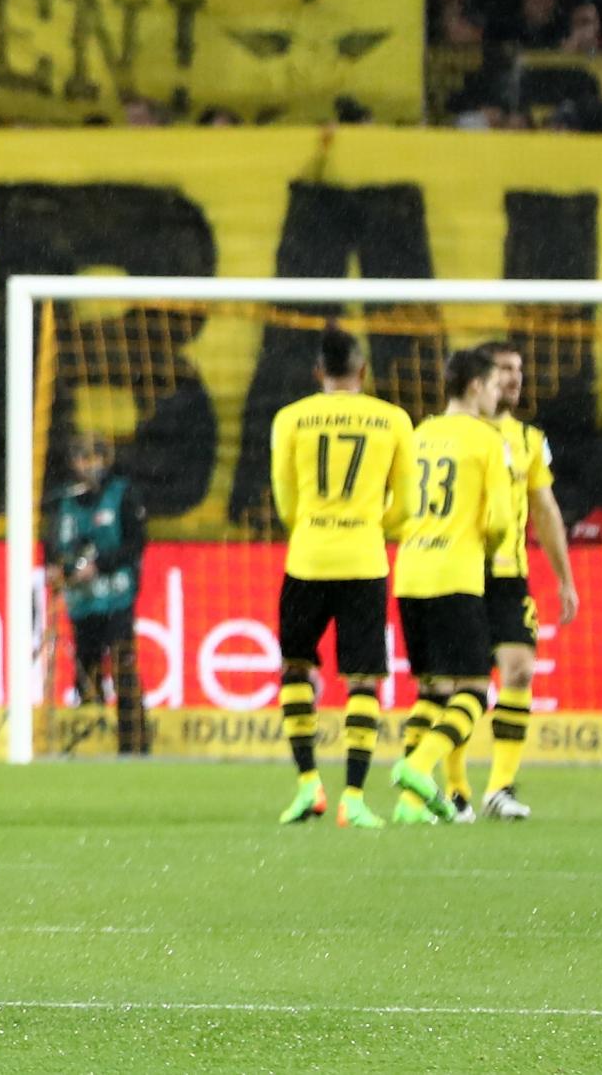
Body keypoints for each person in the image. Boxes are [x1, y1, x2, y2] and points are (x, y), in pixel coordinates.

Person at [267, 326, 416, 829]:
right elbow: (408, 507)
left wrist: (313, 526)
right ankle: (353, 795)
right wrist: (372, 526)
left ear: (318, 373)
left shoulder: (290, 418)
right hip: (364, 562)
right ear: (364, 371)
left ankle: (309, 784)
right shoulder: (393, 420)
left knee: (294, 667)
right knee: (362, 678)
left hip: (306, 559)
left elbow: (285, 502)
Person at [389, 349, 516, 826]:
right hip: (456, 573)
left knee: (432, 690)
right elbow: (502, 520)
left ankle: (410, 804)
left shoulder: (418, 434)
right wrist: (485, 548)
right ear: (475, 387)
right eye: (492, 384)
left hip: (410, 572)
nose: (497, 392)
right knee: (473, 691)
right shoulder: (488, 440)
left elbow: (396, 507)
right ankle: (418, 766)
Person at [474, 340, 582, 821]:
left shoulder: (529, 440)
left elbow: (545, 510)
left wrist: (565, 578)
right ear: (479, 378)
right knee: (459, 685)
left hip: (508, 577)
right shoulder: (446, 433)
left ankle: (499, 787)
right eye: (503, 369)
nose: (515, 378)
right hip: (455, 573)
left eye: (519, 369)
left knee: (518, 671)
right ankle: (452, 788)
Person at [47, 434, 150, 759]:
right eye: (82, 458)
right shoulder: (63, 502)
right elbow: (51, 549)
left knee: (123, 667)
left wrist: (100, 565)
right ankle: (92, 746)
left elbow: (136, 544)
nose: (89, 465)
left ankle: (133, 747)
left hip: (116, 599)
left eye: (95, 458)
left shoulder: (122, 495)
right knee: (87, 672)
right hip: (82, 604)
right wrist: (55, 570)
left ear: (106, 460)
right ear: (73, 463)